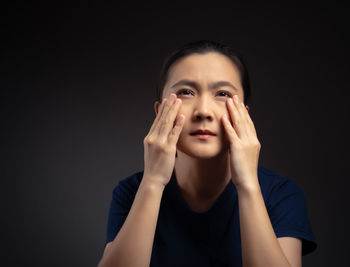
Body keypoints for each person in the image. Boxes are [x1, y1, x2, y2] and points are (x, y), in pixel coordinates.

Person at [98, 40, 317, 267]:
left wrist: (248, 184)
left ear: (244, 114)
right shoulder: (132, 191)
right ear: (160, 111)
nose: (203, 111)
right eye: (186, 92)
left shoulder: (280, 195)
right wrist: (152, 182)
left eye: (222, 93)